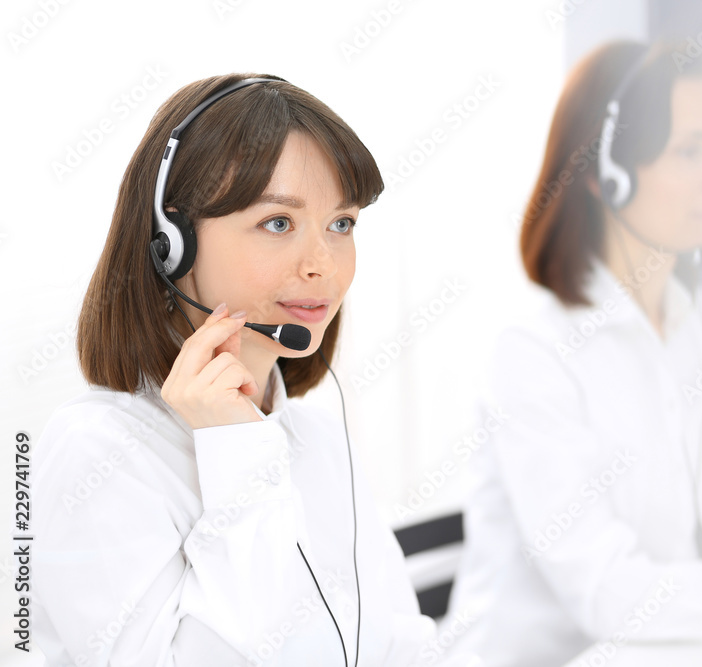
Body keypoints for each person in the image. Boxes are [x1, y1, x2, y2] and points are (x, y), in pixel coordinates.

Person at [33, 74, 477, 666]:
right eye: (278, 223)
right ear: (173, 244)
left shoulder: (318, 440)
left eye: (341, 224)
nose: (323, 265)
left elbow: (400, 646)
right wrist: (236, 455)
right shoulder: (97, 450)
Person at [441, 41, 702, 666]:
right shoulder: (533, 356)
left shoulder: (693, 325)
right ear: (606, 172)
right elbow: (608, 590)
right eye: (689, 151)